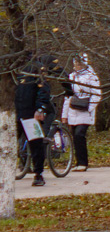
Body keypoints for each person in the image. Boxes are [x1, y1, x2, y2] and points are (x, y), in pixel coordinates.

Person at [13, 53, 51, 186]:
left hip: (30, 113)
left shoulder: (37, 68)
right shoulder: (11, 68)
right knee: (8, 144)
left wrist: (40, 108)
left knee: (35, 144)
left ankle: (38, 174)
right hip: (13, 112)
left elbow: (44, 89)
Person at [60, 55, 101, 171]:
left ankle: (83, 162)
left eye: (79, 64)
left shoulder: (91, 76)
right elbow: (68, 96)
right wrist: (64, 115)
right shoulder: (71, 76)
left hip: (85, 111)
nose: (77, 66)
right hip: (73, 110)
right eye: (76, 64)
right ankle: (78, 162)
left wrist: (89, 108)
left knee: (80, 134)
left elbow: (97, 94)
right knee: (75, 137)